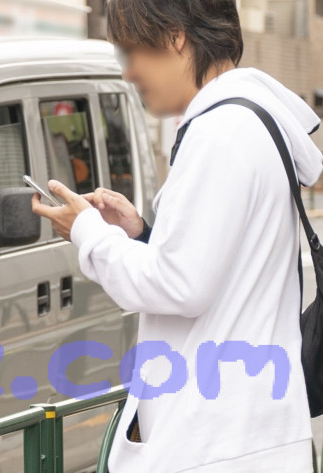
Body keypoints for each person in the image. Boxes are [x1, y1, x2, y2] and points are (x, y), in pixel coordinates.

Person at [31, 0, 322, 471]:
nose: (129, 73)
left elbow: (178, 285)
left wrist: (87, 231)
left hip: (214, 441)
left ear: (174, 37)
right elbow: (213, 269)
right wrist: (143, 235)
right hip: (246, 429)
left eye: (132, 51)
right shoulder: (249, 124)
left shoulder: (218, 133)